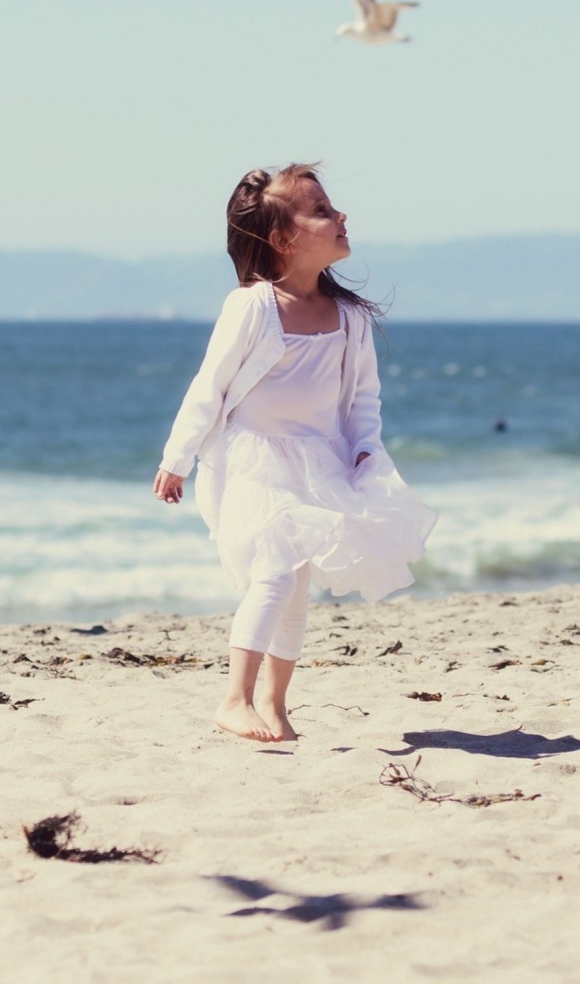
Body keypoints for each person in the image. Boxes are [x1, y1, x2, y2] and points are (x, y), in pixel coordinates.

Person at [153, 163, 436, 743]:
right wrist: (176, 458)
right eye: (323, 210)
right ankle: (234, 699)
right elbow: (209, 386)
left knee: (298, 588)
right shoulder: (253, 307)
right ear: (283, 240)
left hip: (321, 463)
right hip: (255, 461)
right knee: (275, 572)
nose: (340, 216)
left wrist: (364, 452)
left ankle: (275, 704)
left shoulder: (350, 318)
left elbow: (362, 398)